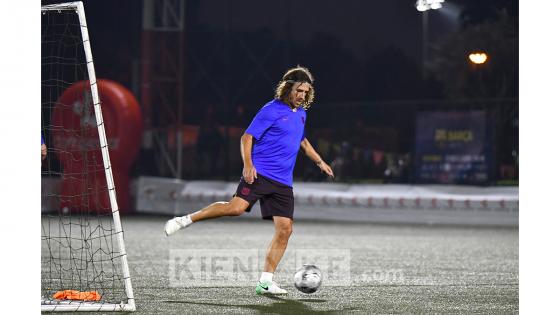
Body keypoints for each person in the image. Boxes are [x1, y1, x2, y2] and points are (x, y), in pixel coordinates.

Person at [164, 66, 334, 295]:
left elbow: (302, 141)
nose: (302, 96)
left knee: (285, 230)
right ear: (287, 89)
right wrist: (248, 165)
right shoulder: (271, 110)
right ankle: (185, 220)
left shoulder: (301, 114)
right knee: (235, 208)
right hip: (260, 173)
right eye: (298, 91)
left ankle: (265, 283)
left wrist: (319, 161)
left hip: (283, 182)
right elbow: (247, 136)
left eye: (306, 92)